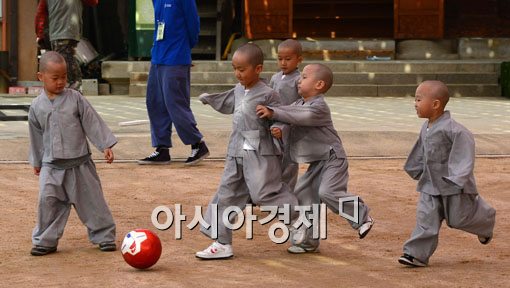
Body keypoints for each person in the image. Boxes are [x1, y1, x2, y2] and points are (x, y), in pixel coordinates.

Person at [256, 64, 374, 254]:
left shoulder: (319, 107)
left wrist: (273, 112)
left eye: (303, 77)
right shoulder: (298, 105)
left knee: (328, 192)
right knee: (304, 197)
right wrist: (279, 129)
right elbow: (290, 117)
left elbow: (301, 116)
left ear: (319, 84)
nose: (299, 81)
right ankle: (307, 242)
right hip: (317, 162)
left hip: (333, 158)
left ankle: (362, 216)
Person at [195, 43, 299, 259]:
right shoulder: (239, 89)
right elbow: (227, 100)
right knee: (226, 193)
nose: (237, 74)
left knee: (264, 194)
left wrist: (278, 128)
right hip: (236, 151)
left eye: (242, 70)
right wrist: (210, 99)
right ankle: (222, 242)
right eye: (235, 69)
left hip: (260, 153)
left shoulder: (269, 95)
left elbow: (282, 117)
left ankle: (300, 220)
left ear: (258, 69)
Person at [398, 80, 496, 267]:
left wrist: (457, 178)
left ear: (435, 104)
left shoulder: (456, 130)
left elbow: (464, 155)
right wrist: (416, 168)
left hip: (453, 185)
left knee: (458, 220)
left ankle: (486, 221)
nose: (415, 103)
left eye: (419, 99)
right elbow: (420, 151)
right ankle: (416, 254)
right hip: (430, 184)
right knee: (425, 218)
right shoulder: (426, 127)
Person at [28, 51, 117, 256]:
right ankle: (45, 240)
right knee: (47, 203)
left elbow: (92, 122)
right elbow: (36, 135)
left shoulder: (75, 98)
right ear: (41, 77)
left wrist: (105, 145)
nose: (61, 82)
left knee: (92, 202)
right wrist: (37, 160)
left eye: (64, 77)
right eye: (55, 78)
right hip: (51, 167)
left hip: (80, 164)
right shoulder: (36, 106)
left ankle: (104, 236)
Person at [138, 0, 209, 165]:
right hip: (158, 57)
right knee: (155, 103)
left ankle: (198, 144)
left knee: (175, 103)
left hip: (176, 57)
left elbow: (193, 26)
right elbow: (158, 26)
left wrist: (183, 50)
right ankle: (162, 149)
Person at [35, 0, 99, 90]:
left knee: (64, 57)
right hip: (68, 29)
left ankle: (74, 84)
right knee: (66, 56)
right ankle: (74, 86)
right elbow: (93, 2)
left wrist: (40, 33)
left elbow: (40, 13)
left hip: (60, 30)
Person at [269, 39, 303, 191]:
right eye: (280, 58)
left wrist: (285, 126)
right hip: (272, 123)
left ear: (299, 60)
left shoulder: (299, 80)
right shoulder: (275, 78)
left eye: (288, 59)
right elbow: (267, 96)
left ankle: (287, 194)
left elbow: (302, 104)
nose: (283, 63)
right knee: (271, 160)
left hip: (290, 125)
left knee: (289, 161)